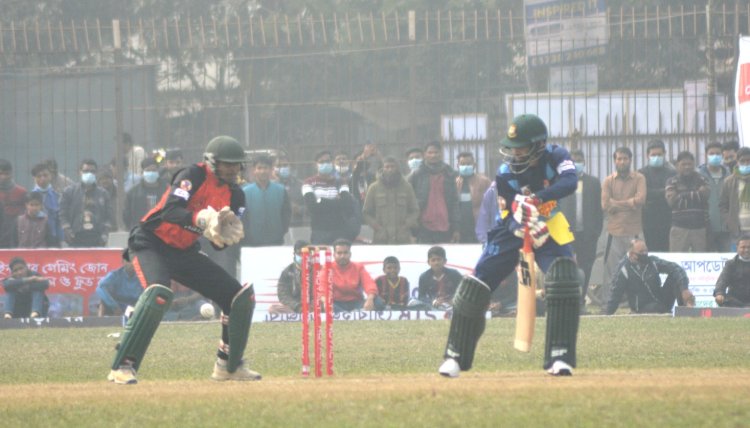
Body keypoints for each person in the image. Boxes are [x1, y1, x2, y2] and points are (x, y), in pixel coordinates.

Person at [106, 135, 260, 385]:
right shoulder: (193, 175)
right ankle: (123, 366)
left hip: (183, 251)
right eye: (228, 164)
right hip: (151, 241)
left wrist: (219, 235)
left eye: (237, 164)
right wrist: (201, 219)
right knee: (158, 294)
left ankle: (229, 366)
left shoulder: (237, 197)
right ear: (212, 162)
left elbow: (216, 246)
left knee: (238, 297)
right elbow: (170, 210)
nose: (234, 169)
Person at [439, 114, 581, 378]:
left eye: (521, 147)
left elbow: (570, 182)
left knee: (564, 277)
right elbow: (507, 211)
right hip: (511, 227)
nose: (514, 153)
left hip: (548, 224)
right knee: (475, 285)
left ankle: (560, 357)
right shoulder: (505, 173)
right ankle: (455, 357)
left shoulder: (556, 156)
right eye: (511, 147)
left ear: (538, 145)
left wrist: (538, 199)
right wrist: (520, 226)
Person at [600, 147, 646, 307]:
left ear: (630, 160)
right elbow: (606, 205)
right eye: (619, 158)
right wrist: (629, 203)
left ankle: (638, 302)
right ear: (614, 160)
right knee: (611, 270)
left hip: (635, 232)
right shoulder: (608, 181)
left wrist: (617, 203)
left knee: (639, 267)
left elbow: (640, 201)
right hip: (614, 232)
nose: (622, 161)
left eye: (625, 158)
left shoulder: (639, 178)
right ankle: (607, 303)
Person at [559, 149, 603, 310]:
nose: (577, 163)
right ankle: (568, 300)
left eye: (580, 160)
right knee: (567, 267)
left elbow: (599, 210)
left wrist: (596, 232)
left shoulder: (593, 182)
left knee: (586, 266)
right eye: (573, 160)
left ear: (584, 162)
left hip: (588, 235)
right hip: (567, 234)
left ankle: (581, 301)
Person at [605, 239, 695, 315]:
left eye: (646, 251)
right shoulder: (624, 270)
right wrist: (607, 314)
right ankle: (666, 312)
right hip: (641, 308)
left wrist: (684, 289)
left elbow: (676, 268)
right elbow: (615, 295)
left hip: (661, 301)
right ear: (632, 255)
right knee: (655, 307)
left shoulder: (653, 262)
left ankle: (685, 311)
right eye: (641, 252)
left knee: (675, 276)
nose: (644, 254)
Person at [408, 141, 460, 243]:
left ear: (441, 154)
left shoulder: (449, 174)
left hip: (445, 226)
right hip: (423, 227)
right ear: (425, 155)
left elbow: (454, 202)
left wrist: (456, 228)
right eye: (430, 152)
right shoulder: (417, 175)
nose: (433, 155)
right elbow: (409, 202)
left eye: (436, 152)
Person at [362, 156, 419, 244]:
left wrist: (405, 226)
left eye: (392, 166)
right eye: (387, 167)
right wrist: (377, 227)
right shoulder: (374, 188)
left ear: (397, 168)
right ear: (382, 168)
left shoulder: (407, 187)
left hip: (402, 238)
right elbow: (366, 213)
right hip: (381, 238)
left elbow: (415, 211)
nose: (390, 169)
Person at [302, 150, 355, 244]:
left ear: (332, 163)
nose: (325, 164)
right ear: (316, 165)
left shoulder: (340, 182)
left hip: (340, 231)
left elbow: (347, 204)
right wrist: (337, 202)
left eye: (328, 161)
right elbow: (312, 207)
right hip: (319, 232)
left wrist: (321, 201)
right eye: (321, 162)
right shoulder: (308, 183)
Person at [60, 159, 114, 248]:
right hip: (75, 238)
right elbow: (62, 214)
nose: (89, 174)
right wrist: (67, 230)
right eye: (85, 171)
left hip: (97, 238)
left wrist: (105, 234)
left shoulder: (103, 194)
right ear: (79, 172)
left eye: (92, 171)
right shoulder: (69, 192)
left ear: (96, 173)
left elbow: (109, 216)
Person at [318, 239, 382, 313]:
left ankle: (347, 313)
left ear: (350, 254)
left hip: (356, 302)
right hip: (335, 303)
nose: (342, 256)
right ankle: (354, 313)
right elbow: (322, 288)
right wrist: (326, 302)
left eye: (345, 253)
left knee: (377, 302)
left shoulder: (358, 267)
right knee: (320, 304)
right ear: (334, 255)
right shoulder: (327, 267)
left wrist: (370, 299)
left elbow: (369, 284)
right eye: (339, 253)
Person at [665, 151, 710, 252]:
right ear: (677, 165)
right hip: (679, 228)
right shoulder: (671, 181)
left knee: (700, 261)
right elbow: (672, 201)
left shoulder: (702, 179)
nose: (687, 167)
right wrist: (696, 194)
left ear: (694, 164)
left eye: (689, 164)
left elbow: (705, 196)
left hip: (699, 227)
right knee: (676, 261)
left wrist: (681, 195)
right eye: (683, 164)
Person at [241, 155, 290, 246]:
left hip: (276, 241)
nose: (262, 171)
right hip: (252, 243)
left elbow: (286, 213)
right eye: (259, 168)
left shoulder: (281, 190)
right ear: (254, 170)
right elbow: (241, 215)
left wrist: (282, 230)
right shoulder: (245, 192)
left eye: (265, 168)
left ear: (271, 170)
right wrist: (246, 234)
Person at [639, 139, 675, 252]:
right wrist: (663, 191)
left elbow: (673, 192)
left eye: (659, 154)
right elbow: (644, 193)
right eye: (653, 155)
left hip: (667, 220)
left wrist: (653, 193)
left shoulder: (671, 173)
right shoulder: (641, 174)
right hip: (648, 221)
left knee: (666, 253)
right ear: (647, 155)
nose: (656, 157)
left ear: (664, 154)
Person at [698, 142, 732, 252]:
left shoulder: (729, 175)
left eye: (718, 153)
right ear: (706, 155)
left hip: (726, 227)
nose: (715, 156)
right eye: (711, 153)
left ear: (722, 155)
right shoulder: (698, 175)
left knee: (727, 258)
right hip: (706, 226)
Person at [123, 158, 169, 231]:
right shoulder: (133, 193)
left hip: (162, 230)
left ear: (158, 171)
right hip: (140, 230)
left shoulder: (167, 190)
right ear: (142, 172)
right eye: (148, 170)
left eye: (153, 170)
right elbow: (127, 215)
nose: (151, 173)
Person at [455, 152, 491, 243]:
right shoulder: (454, 182)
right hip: (460, 226)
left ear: (474, 165)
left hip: (479, 224)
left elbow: (491, 203)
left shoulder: (484, 181)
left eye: (468, 164)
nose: (466, 166)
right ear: (457, 165)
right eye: (462, 164)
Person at [269, 240, 311, 314]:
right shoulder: (287, 272)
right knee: (272, 309)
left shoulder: (316, 269)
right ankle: (297, 316)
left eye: (305, 254)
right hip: (294, 308)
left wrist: (311, 306)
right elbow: (283, 295)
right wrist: (297, 306)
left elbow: (320, 293)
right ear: (294, 254)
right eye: (300, 253)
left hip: (312, 307)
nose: (303, 256)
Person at [719, 147, 750, 245]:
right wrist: (729, 221)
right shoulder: (729, 181)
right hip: (736, 230)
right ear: (737, 161)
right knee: (738, 257)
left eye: (748, 161)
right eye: (742, 161)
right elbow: (722, 205)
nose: (746, 164)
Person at [417, 246, 462, 310]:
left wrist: (453, 300)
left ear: (445, 261)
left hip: (452, 305)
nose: (436, 263)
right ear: (428, 262)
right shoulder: (424, 277)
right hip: (433, 306)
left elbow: (462, 292)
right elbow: (421, 296)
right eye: (433, 260)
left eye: (439, 259)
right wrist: (433, 302)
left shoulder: (454, 274)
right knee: (413, 301)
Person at [713, 234, 750, 307]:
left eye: (749, 247)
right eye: (743, 247)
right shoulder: (730, 264)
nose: (746, 250)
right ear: (737, 248)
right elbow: (722, 281)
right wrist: (719, 293)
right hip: (734, 301)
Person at [31, 162, 62, 246]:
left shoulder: (57, 196)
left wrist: (61, 238)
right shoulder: (30, 197)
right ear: (34, 178)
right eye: (39, 176)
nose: (43, 178)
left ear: (50, 176)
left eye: (45, 175)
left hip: (53, 237)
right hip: (35, 238)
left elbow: (59, 219)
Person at [0, 159, 28, 248]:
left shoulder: (22, 192)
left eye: (6, 173)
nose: (3, 177)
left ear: (11, 173)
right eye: (1, 174)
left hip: (17, 232)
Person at [274, 153, 305, 227]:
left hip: (298, 226)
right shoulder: (271, 187)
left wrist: (299, 209)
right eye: (279, 166)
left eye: (285, 165)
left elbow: (310, 207)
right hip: (277, 227)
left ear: (290, 167)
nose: (282, 168)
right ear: (274, 168)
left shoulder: (301, 185)